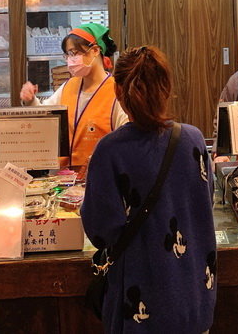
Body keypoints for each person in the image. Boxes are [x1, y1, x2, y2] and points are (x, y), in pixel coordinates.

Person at [81, 46, 216, 333]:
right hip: (194, 296)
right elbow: (206, 200)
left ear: (117, 91)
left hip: (140, 300)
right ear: (166, 88)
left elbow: (100, 229)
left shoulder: (110, 151)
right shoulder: (193, 139)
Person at [19, 23, 127, 175]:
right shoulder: (69, 86)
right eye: (68, 55)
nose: (70, 60)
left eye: (74, 53)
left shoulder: (117, 92)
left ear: (95, 50)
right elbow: (45, 117)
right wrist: (30, 101)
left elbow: (125, 139)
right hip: (61, 179)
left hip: (98, 178)